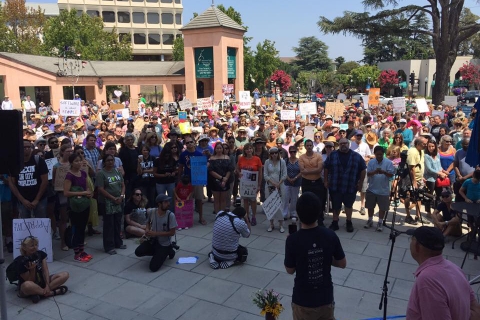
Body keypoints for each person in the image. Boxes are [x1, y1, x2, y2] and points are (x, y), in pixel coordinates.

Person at [284, 192, 346, 320]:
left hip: (303, 300)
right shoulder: (330, 235)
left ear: (298, 213)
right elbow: (342, 263)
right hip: (325, 298)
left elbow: (290, 270)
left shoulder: (293, 240)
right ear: (319, 212)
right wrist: (326, 257)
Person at [406, 226, 478, 319]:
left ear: (417, 246)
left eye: (412, 240)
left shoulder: (427, 281)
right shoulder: (454, 268)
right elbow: (476, 309)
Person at [324, 138, 366, 232]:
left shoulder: (356, 156)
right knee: (335, 205)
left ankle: (349, 222)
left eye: (345, 143)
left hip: (350, 185)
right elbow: (326, 167)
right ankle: (335, 222)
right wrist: (326, 180)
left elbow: (363, 169)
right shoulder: (333, 155)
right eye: (341, 143)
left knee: (348, 205)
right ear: (339, 145)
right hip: (335, 185)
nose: (343, 145)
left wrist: (360, 183)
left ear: (349, 144)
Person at [16, 236, 69, 303]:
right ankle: (52, 293)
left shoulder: (40, 254)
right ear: (24, 247)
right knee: (27, 285)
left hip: (41, 281)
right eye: (32, 245)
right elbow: (30, 281)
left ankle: (40, 294)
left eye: (36, 245)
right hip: (29, 285)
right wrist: (32, 269)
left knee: (65, 274)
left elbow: (45, 270)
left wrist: (47, 285)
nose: (35, 247)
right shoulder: (20, 261)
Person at [134, 194, 177, 272]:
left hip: (164, 243)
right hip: (153, 240)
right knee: (138, 252)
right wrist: (147, 229)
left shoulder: (171, 215)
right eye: (166, 202)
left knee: (153, 268)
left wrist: (155, 233)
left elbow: (172, 232)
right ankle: (159, 253)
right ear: (159, 204)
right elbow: (148, 222)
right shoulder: (152, 212)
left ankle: (169, 250)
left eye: (168, 201)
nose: (168, 204)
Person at [63, 153, 93, 262]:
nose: (79, 163)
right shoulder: (69, 175)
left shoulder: (84, 173)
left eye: (80, 160)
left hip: (84, 204)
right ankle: (77, 253)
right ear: (71, 163)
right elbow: (66, 192)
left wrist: (88, 193)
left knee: (82, 228)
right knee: (77, 229)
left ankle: (82, 250)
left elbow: (87, 188)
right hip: (75, 206)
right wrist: (83, 192)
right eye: (76, 161)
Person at [9, 140, 49, 219]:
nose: (26, 149)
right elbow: (12, 183)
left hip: (40, 199)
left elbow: (45, 180)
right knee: (25, 225)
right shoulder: (14, 162)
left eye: (28, 147)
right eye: (24, 147)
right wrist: (22, 200)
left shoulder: (38, 160)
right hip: (22, 199)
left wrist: (37, 199)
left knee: (40, 223)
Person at [96, 154, 126, 255]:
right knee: (109, 224)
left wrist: (121, 196)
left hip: (119, 200)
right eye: (108, 160)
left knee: (117, 222)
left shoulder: (117, 171)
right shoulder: (101, 173)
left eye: (112, 160)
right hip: (107, 202)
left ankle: (118, 242)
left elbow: (122, 184)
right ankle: (109, 246)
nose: (110, 162)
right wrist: (113, 198)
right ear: (104, 162)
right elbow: (100, 189)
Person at [365, 146, 395, 232]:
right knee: (370, 206)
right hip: (372, 188)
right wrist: (375, 172)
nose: (379, 156)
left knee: (382, 207)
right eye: (377, 154)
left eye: (380, 154)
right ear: (374, 154)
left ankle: (380, 222)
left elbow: (391, 174)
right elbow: (368, 173)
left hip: (383, 189)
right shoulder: (371, 162)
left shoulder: (388, 162)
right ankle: (370, 220)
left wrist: (384, 172)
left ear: (383, 154)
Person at [178, 136, 206, 225]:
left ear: (194, 143)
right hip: (187, 180)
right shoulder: (183, 155)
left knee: (199, 199)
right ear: (185, 145)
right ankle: (187, 218)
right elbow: (180, 168)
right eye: (187, 143)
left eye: (191, 142)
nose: (189, 144)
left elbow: (202, 169)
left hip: (197, 180)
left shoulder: (200, 154)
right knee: (187, 200)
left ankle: (201, 217)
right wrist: (179, 180)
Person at [401, 137, 428, 225]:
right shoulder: (412, 151)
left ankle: (418, 215)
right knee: (408, 195)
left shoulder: (422, 151)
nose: (426, 145)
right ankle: (408, 216)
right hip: (410, 178)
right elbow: (411, 168)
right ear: (418, 144)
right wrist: (414, 181)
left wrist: (422, 176)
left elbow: (420, 164)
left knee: (419, 196)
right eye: (424, 144)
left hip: (419, 177)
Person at [236, 143, 263, 226]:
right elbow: (237, 168)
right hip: (244, 183)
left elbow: (260, 173)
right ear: (245, 150)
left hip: (253, 184)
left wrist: (259, 185)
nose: (249, 150)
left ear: (253, 149)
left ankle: (253, 216)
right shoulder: (241, 159)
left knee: (253, 200)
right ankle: (246, 216)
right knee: (245, 201)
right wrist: (239, 173)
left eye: (250, 148)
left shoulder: (257, 159)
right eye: (247, 149)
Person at [299, 139, 325, 223]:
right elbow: (302, 171)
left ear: (313, 146)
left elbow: (319, 169)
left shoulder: (318, 156)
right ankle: (307, 220)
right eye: (307, 145)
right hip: (306, 182)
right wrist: (314, 170)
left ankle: (320, 220)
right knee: (306, 201)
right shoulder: (301, 157)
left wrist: (308, 171)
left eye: (310, 145)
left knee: (319, 201)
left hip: (317, 182)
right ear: (305, 147)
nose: (309, 147)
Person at [264, 147, 287, 232]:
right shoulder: (267, 162)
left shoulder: (282, 162)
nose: (274, 155)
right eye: (272, 153)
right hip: (269, 185)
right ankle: (271, 224)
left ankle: (281, 225)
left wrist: (278, 183)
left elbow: (285, 174)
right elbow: (265, 175)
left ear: (278, 153)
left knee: (280, 205)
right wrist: (273, 183)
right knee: (270, 205)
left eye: (275, 153)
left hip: (280, 186)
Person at [153, 143, 178, 213]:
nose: (167, 157)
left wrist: (174, 173)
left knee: (171, 199)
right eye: (166, 155)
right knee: (161, 199)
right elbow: (154, 173)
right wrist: (164, 175)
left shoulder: (172, 160)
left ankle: (171, 213)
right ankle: (162, 212)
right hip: (160, 182)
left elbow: (176, 170)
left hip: (170, 182)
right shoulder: (157, 161)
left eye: (168, 155)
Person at [283, 145, 301, 220]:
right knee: (286, 197)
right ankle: (285, 213)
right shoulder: (286, 160)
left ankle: (293, 213)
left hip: (296, 182)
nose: (292, 153)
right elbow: (283, 171)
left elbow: (301, 171)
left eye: (294, 151)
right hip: (287, 181)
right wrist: (289, 178)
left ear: (296, 152)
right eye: (291, 152)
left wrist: (295, 178)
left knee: (294, 198)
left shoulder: (299, 161)